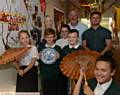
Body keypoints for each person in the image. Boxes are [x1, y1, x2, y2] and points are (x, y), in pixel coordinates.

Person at [38, 28, 64, 95]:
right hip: (45, 74)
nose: (49, 39)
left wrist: (59, 57)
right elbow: (38, 61)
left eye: (51, 37)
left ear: (54, 37)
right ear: (44, 38)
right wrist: (38, 57)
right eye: (47, 37)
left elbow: (62, 61)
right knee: (46, 91)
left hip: (55, 74)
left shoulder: (58, 48)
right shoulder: (41, 47)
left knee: (56, 91)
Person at [62, 29, 84, 95]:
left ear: (78, 38)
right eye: (70, 37)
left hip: (78, 75)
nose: (71, 39)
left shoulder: (82, 49)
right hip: (66, 75)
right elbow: (62, 62)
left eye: (74, 37)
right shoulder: (65, 49)